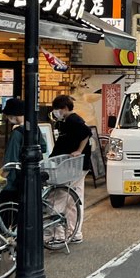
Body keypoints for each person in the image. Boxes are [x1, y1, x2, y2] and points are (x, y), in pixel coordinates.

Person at [49, 94, 91, 244]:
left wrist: (79, 150)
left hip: (74, 166)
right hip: (75, 165)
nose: (55, 112)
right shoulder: (67, 121)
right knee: (73, 198)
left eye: (57, 109)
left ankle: (59, 235)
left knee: (60, 197)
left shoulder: (74, 120)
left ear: (65, 108)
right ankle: (73, 232)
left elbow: (86, 133)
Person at [0, 98, 39, 204]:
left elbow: (10, 160)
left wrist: (0, 179)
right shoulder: (35, 128)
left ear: (13, 115)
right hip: (30, 179)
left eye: (7, 115)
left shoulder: (17, 134)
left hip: (13, 183)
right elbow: (43, 147)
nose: (7, 118)